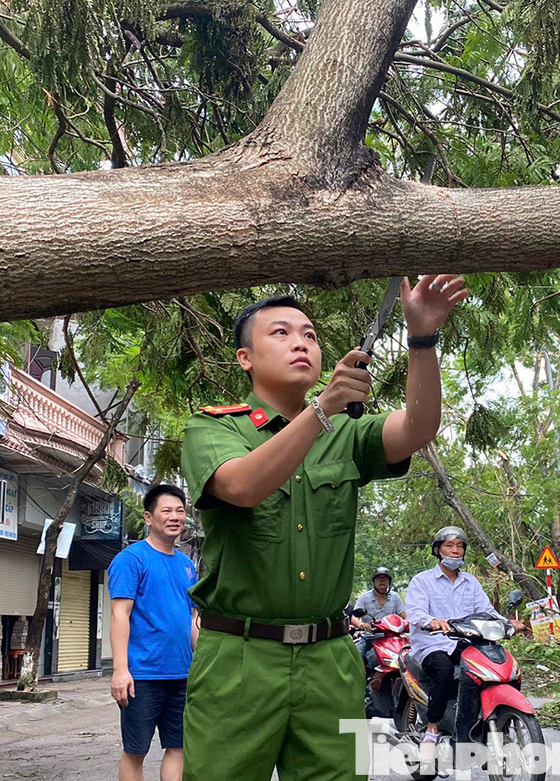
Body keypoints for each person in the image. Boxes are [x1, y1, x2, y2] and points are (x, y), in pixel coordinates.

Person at [180, 277, 467, 781]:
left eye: (310, 335)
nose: (301, 343)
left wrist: (422, 339)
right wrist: (320, 409)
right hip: (238, 659)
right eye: (281, 333)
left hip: (330, 658)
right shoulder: (214, 427)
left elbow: (419, 427)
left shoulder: (347, 434)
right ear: (245, 358)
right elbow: (242, 486)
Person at [405, 526, 524, 771]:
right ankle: (432, 729)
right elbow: (416, 612)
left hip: (465, 642)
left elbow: (486, 610)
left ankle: (479, 724)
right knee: (445, 670)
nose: (455, 550)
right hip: (433, 643)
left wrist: (507, 623)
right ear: (437, 551)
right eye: (449, 546)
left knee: (490, 668)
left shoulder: (471, 582)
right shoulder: (422, 581)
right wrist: (432, 621)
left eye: (460, 546)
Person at [108, 484, 199, 781]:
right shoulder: (131, 559)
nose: (175, 517)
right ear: (148, 517)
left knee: (179, 747)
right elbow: (119, 615)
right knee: (136, 751)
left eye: (180, 511)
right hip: (142, 675)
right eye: (167, 511)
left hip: (182, 675)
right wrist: (120, 671)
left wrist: (203, 664)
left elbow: (192, 619)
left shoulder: (186, 565)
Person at [351, 567, 405, 670]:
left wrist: (409, 624)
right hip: (367, 637)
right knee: (356, 657)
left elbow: (405, 616)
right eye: (378, 578)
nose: (381, 580)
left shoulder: (395, 597)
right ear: (373, 582)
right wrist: (362, 625)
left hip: (388, 638)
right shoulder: (364, 597)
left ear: (389, 581)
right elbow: (354, 618)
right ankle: (362, 678)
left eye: (385, 578)